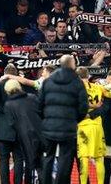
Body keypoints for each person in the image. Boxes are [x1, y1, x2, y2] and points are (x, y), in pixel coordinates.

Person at [39, 55, 88, 184]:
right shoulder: (78, 82)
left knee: (48, 157)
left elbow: (39, 104)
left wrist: (46, 119)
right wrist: (74, 120)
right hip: (68, 127)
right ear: (73, 65)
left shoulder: (47, 81)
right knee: (65, 160)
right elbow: (83, 108)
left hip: (48, 127)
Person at [76, 66, 111, 184]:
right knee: (99, 159)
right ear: (88, 76)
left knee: (84, 159)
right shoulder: (99, 87)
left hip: (83, 127)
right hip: (97, 127)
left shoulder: (75, 89)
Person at [0, 65, 28, 184]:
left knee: (3, 160)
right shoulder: (22, 85)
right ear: (16, 73)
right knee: (19, 159)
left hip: (3, 129)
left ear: (4, 73)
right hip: (19, 129)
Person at [4, 79, 43, 184]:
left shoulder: (8, 105)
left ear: (7, 91)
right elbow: (42, 112)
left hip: (25, 138)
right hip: (42, 135)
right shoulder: (33, 97)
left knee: (30, 165)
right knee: (42, 165)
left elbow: (11, 124)